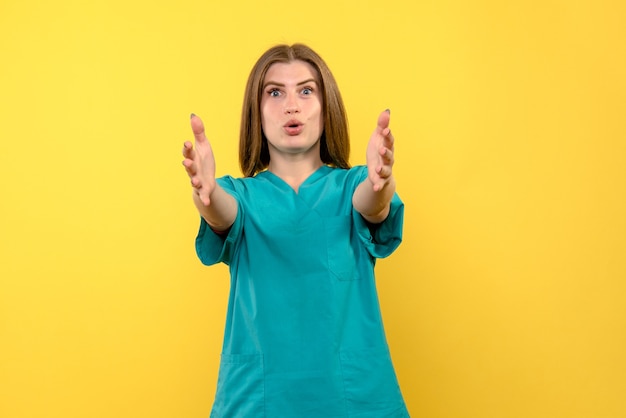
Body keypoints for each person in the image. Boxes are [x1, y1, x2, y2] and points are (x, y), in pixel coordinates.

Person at [182, 43, 409, 417]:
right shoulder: (241, 196)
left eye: (306, 90)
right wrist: (204, 194)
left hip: (353, 400)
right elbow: (223, 213)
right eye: (275, 92)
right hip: (259, 400)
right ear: (256, 112)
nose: (292, 105)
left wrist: (381, 182)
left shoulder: (351, 186)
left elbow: (372, 202)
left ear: (326, 106)